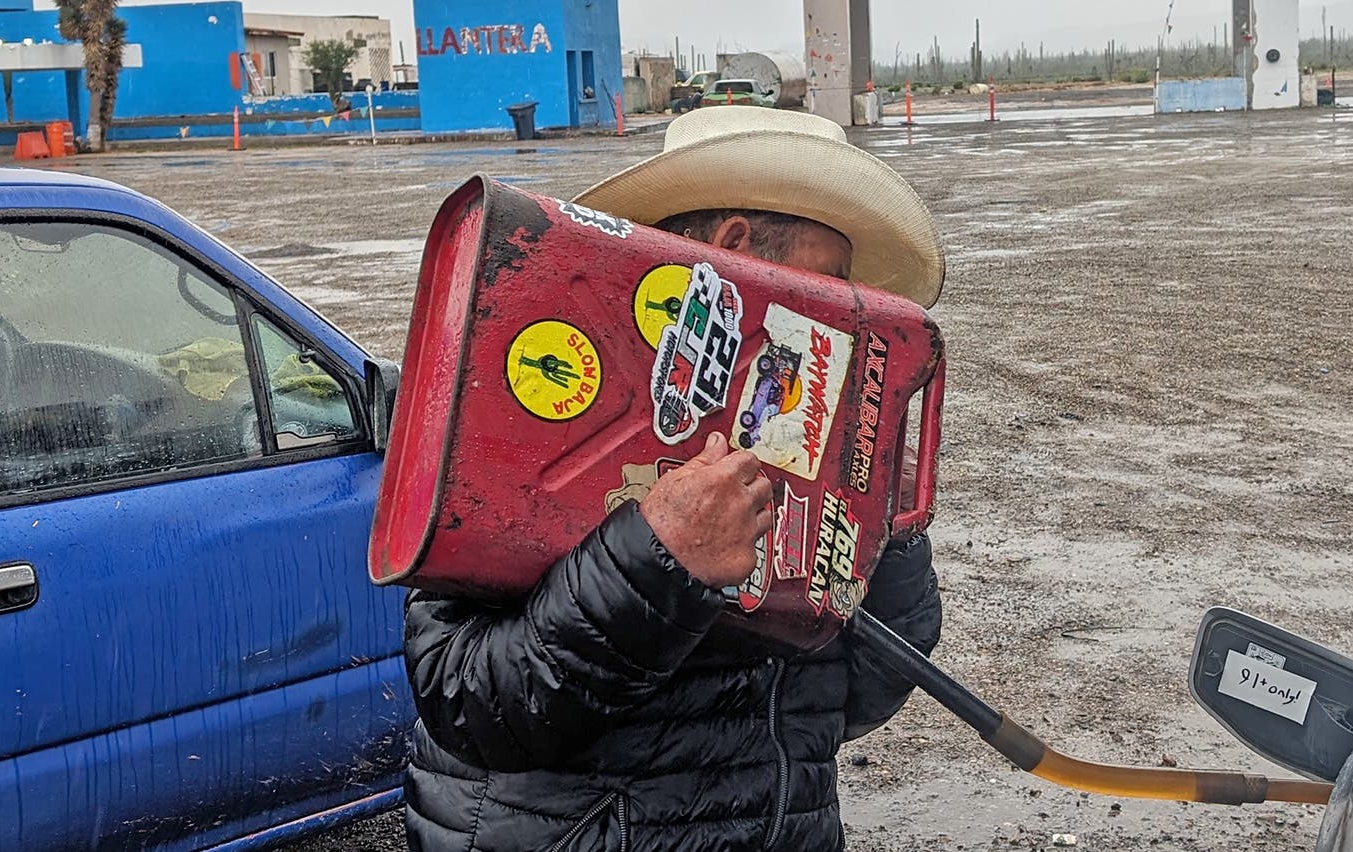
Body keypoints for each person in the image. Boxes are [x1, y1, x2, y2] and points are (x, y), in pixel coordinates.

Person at [402, 107, 947, 852]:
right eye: (828, 285)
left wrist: (887, 529)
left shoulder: (793, 428)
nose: (845, 321)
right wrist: (656, 561)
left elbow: (857, 696)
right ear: (735, 250)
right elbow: (470, 702)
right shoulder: (549, 402)